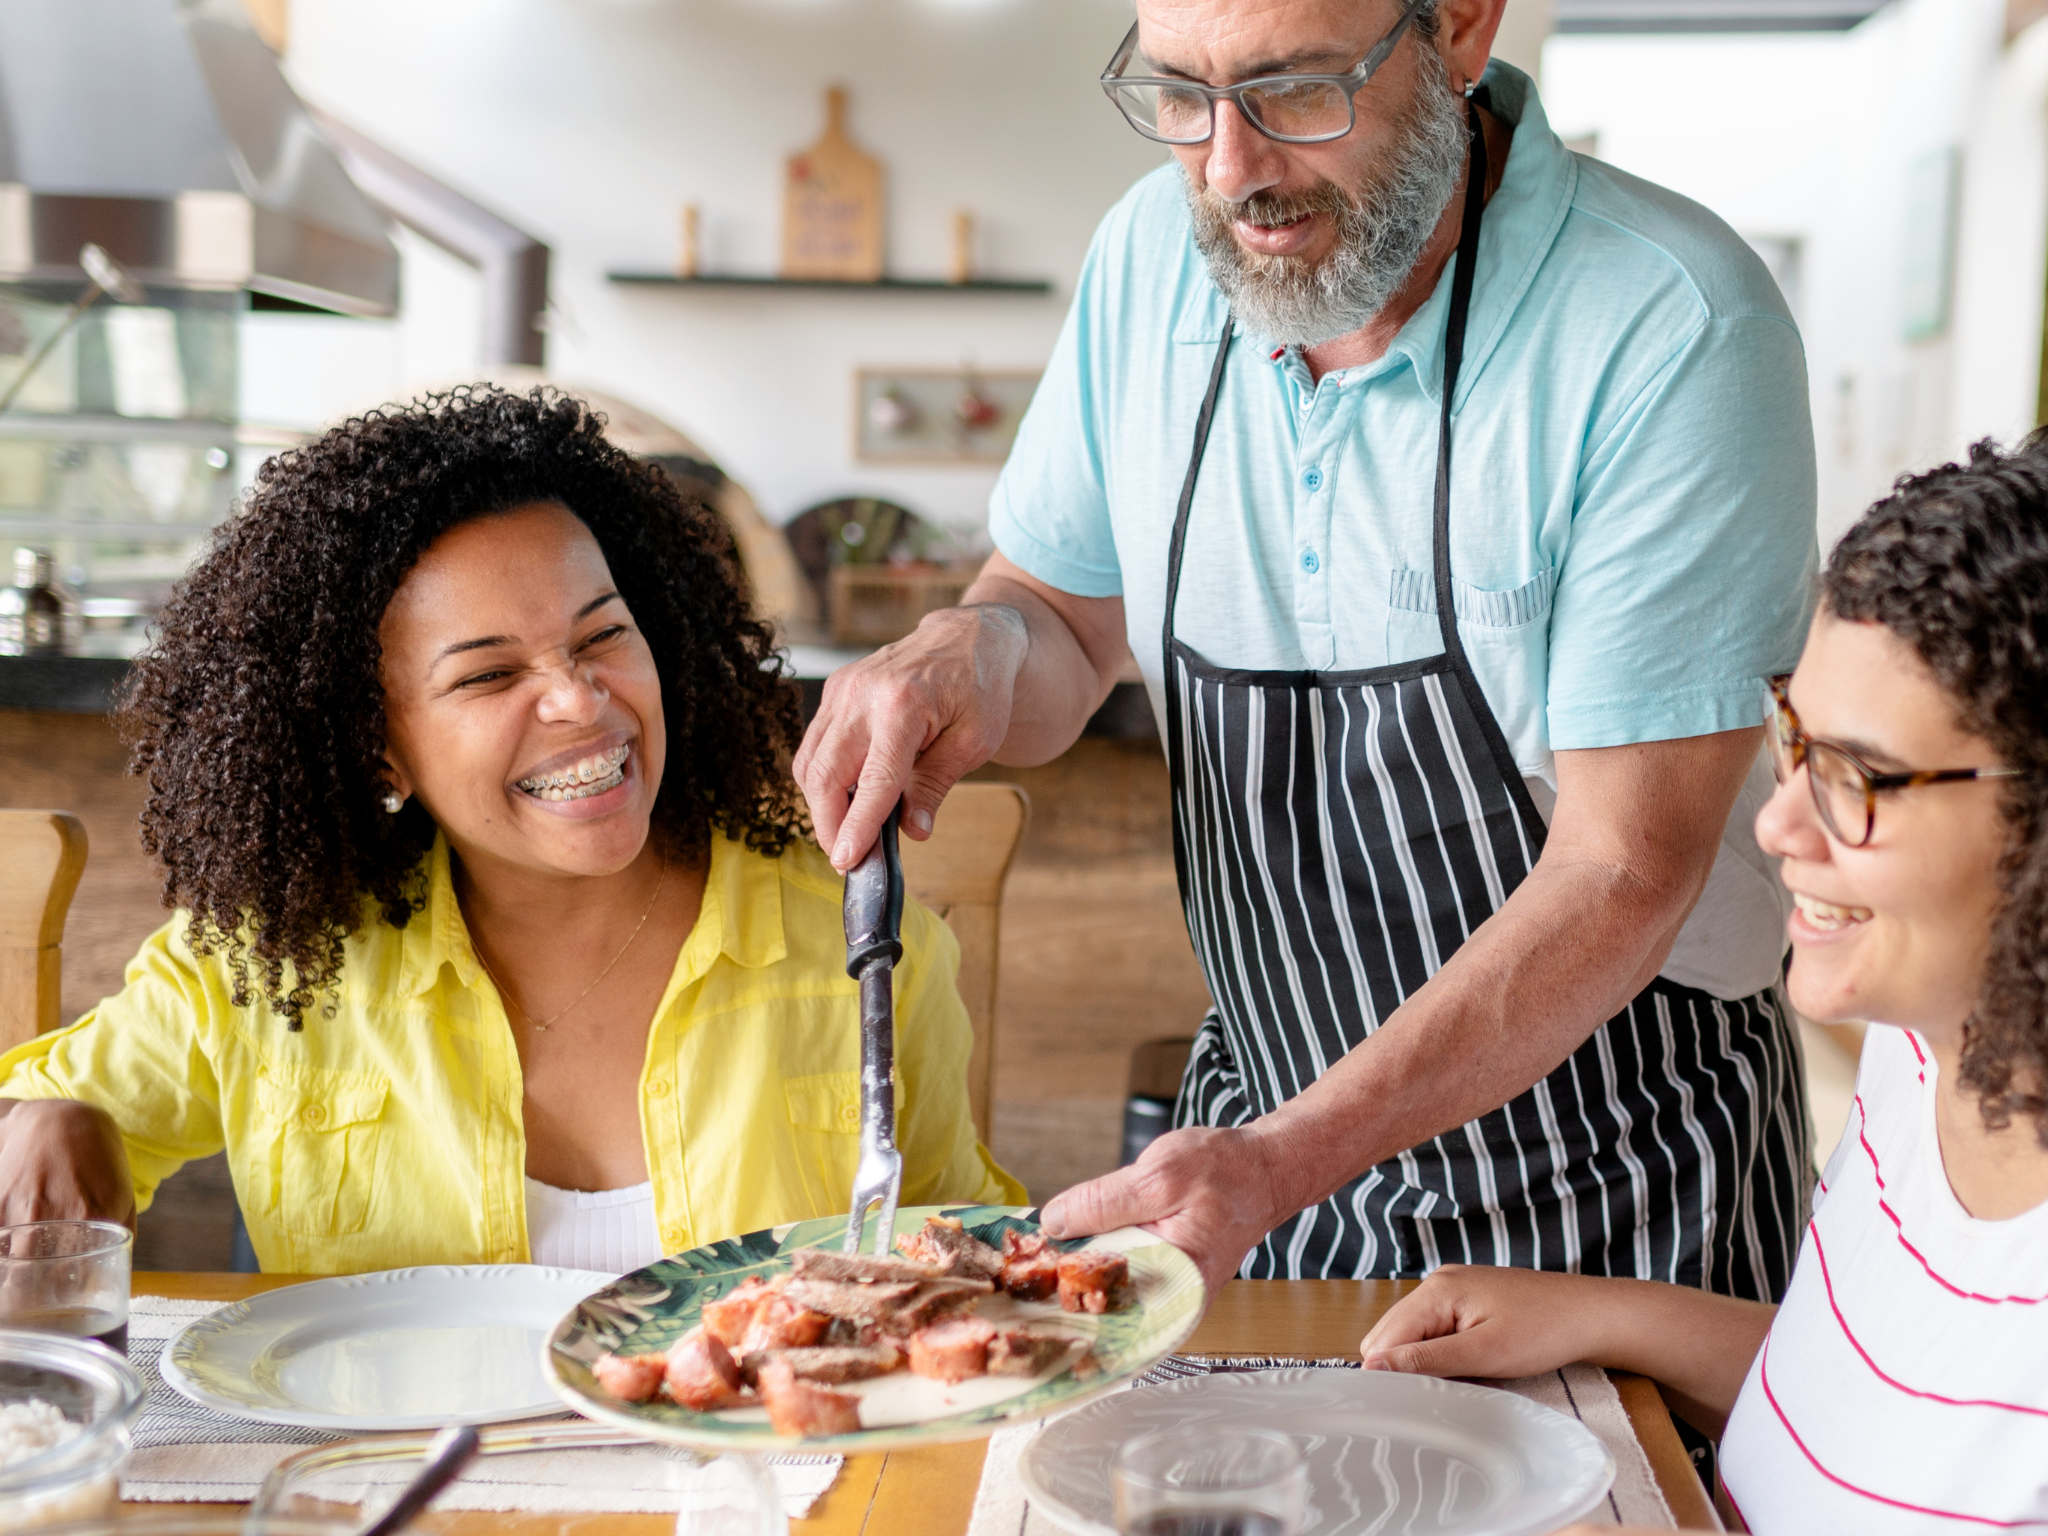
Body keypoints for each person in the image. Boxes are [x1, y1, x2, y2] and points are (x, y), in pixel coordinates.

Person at [794, 0, 1816, 1298]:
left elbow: (1623, 870)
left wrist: (1282, 1160)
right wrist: (967, 650)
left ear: (1457, 31)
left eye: (1295, 89)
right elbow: (1054, 617)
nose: (1229, 168)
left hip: (1622, 1197)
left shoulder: (1669, 324)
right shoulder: (1148, 263)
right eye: (1180, 94)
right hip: (1259, 1188)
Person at [0, 386, 1021, 1274]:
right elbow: (28, 1138)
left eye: (603, 635)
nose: (580, 702)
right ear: (377, 746)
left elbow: (965, 1259)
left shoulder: (865, 951)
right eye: (488, 675)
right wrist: (43, 1125)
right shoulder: (269, 962)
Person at [1360, 437, 2048, 1533]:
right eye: (1795, 739)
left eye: (1857, 778)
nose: (1776, 827)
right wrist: (1593, 1316)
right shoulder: (1923, 1049)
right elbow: (1858, 1408)